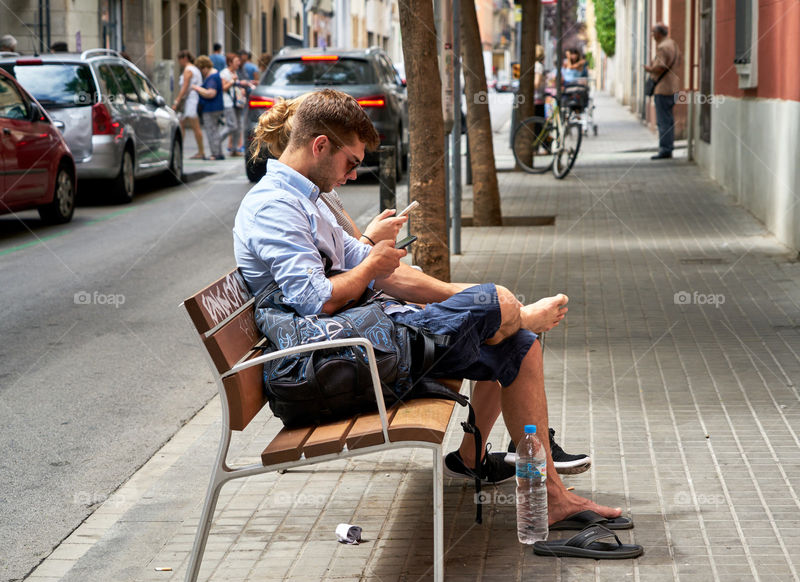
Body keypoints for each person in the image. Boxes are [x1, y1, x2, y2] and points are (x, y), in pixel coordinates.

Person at [234, 89, 623, 527]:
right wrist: (372, 266)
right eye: (351, 163)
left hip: (365, 344)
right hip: (334, 364)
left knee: (521, 344)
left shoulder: (308, 201)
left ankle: (544, 494)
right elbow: (315, 299)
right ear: (320, 145)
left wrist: (395, 267)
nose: (351, 175)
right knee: (497, 307)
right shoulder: (274, 207)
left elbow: (378, 272)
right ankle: (510, 310)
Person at [643, 23, 681, 160]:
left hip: (663, 88)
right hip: (674, 87)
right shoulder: (673, 44)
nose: (652, 36)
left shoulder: (662, 47)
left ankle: (665, 149)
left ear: (659, 33)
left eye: (653, 32)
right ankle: (668, 147)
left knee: (663, 121)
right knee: (669, 120)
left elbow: (660, 67)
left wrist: (649, 69)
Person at [172, 51, 206, 159]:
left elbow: (185, 87)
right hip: (191, 99)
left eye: (180, 60)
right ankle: (180, 150)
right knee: (182, 124)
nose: (179, 62)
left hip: (191, 100)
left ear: (184, 58)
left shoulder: (188, 70)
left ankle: (201, 151)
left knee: (194, 126)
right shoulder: (195, 69)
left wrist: (177, 101)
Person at [191, 55, 225, 160]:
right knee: (215, 130)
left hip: (211, 108)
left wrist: (197, 88)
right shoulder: (216, 75)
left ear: (204, 67)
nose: (201, 72)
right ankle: (218, 152)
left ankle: (215, 154)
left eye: (201, 69)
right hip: (216, 107)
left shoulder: (212, 77)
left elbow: (211, 93)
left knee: (211, 131)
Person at [220, 53, 243, 156]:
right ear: (230, 62)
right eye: (236, 61)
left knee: (238, 126)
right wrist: (232, 81)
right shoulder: (224, 73)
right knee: (232, 126)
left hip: (237, 102)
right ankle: (217, 140)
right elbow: (223, 88)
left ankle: (234, 149)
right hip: (228, 102)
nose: (239, 63)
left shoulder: (235, 73)